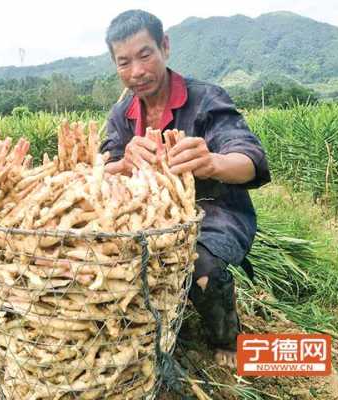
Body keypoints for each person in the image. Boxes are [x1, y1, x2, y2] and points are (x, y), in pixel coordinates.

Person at [101, 9, 271, 368]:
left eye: (145, 55)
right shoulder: (121, 114)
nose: (136, 71)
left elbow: (251, 158)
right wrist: (124, 163)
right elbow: (104, 166)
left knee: (199, 264)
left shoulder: (206, 99)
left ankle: (227, 336)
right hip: (148, 214)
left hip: (213, 208)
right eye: (124, 62)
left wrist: (212, 163)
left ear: (165, 46)